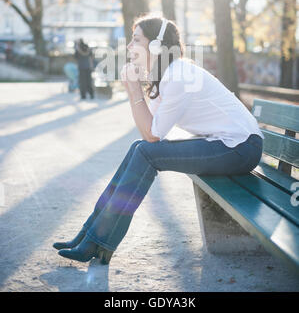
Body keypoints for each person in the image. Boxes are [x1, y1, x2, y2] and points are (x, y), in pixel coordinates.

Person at [53, 14, 264, 264]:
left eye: (136, 40)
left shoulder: (179, 76)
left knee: (144, 151)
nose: (129, 46)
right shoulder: (164, 76)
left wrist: (132, 89)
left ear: (155, 46)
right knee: (137, 148)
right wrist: (138, 86)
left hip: (240, 148)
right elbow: (149, 130)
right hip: (226, 145)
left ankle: (97, 241)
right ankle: (89, 233)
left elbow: (152, 135)